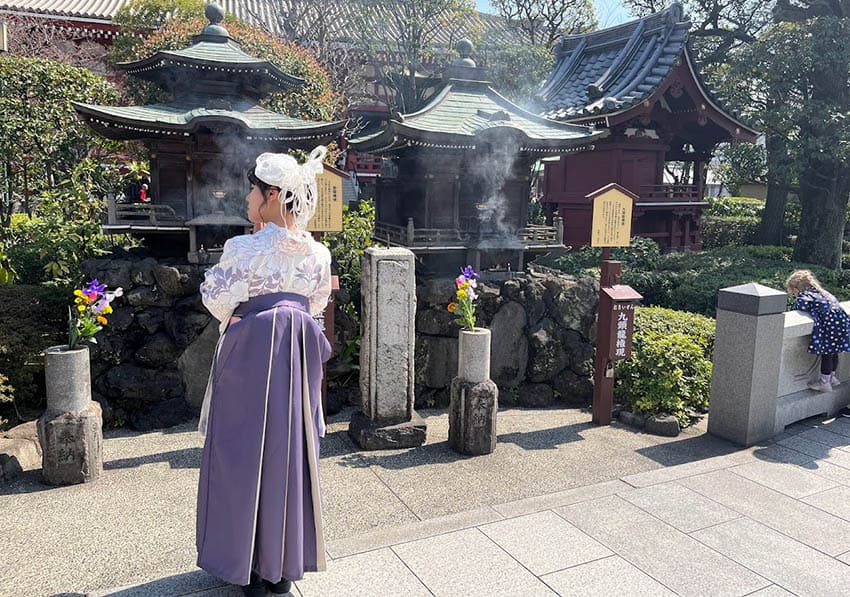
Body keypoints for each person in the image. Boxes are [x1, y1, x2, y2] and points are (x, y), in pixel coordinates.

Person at [196, 147, 332, 597]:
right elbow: (314, 306)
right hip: (295, 356)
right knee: (287, 453)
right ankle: (282, 566)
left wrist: (244, 316)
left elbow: (215, 298)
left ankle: (246, 566)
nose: (248, 197)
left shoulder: (244, 248)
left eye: (253, 190)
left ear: (272, 195)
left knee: (240, 453)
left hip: (252, 351)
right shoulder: (318, 254)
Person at [787, 270, 850, 399]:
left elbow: (800, 306)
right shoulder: (823, 292)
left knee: (826, 353)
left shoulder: (806, 295)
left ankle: (824, 382)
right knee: (834, 351)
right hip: (842, 322)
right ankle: (832, 377)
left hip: (830, 325)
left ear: (796, 288)